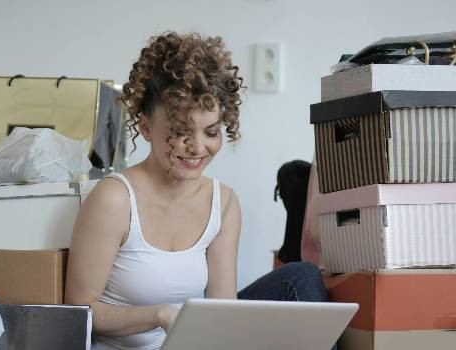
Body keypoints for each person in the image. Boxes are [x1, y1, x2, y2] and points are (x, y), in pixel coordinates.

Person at [65, 32, 330, 350]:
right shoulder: (114, 199)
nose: (197, 147)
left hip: (187, 344)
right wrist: (158, 315)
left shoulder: (223, 203)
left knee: (300, 278)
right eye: (180, 132)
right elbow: (80, 312)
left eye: (211, 132)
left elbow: (223, 312)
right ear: (146, 127)